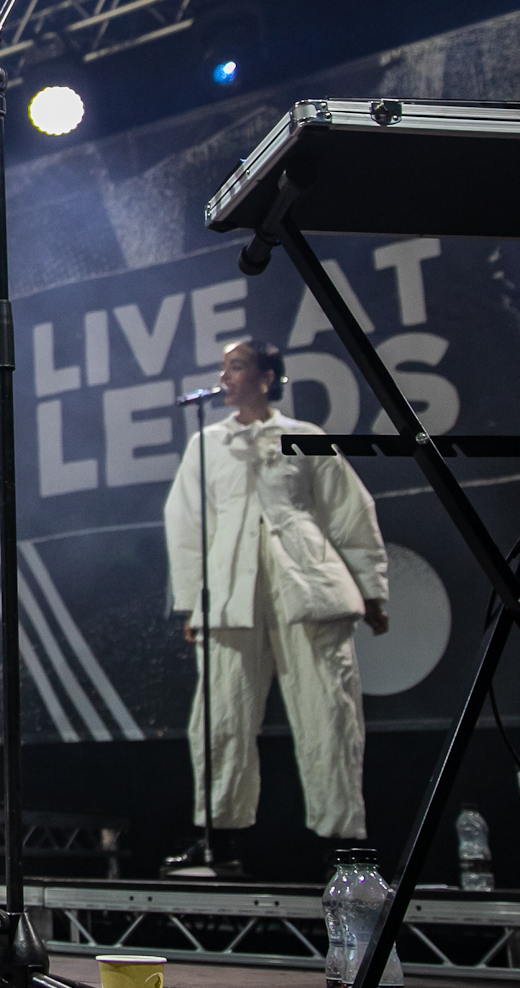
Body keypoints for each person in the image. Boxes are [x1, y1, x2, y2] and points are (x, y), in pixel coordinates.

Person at [162, 340, 389, 874]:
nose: (225, 376)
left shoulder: (304, 437)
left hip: (307, 586)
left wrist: (371, 589)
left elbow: (348, 511)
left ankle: (344, 843)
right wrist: (193, 601)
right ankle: (218, 840)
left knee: (329, 712)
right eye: (223, 368)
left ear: (267, 377)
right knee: (221, 716)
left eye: (237, 366)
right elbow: (187, 524)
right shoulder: (206, 445)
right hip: (229, 592)